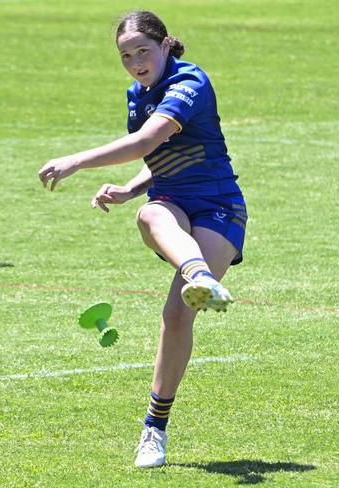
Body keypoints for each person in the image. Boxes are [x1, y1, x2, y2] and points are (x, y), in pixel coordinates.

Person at [39, 10, 247, 468]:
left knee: (176, 316)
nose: (135, 63)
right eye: (126, 56)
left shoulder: (190, 82)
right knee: (149, 212)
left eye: (143, 51)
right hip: (172, 203)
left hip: (218, 209)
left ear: (166, 45)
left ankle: (155, 424)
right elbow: (156, 156)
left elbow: (144, 141)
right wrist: (130, 188)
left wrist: (76, 160)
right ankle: (154, 430)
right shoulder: (138, 94)